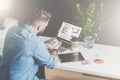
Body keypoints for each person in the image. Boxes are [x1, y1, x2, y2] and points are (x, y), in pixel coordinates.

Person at [0, 10, 61, 80]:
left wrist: (42, 47)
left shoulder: (12, 30)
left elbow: (24, 48)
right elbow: (52, 64)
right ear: (40, 27)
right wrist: (54, 50)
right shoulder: (36, 43)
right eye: (45, 26)